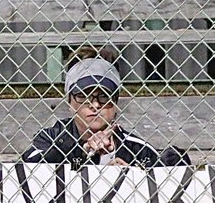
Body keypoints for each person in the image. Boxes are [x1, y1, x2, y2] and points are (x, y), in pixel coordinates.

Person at [22, 50, 190, 169]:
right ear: (70, 102)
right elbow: (26, 167)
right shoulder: (52, 138)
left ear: (115, 102)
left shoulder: (135, 148)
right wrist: (81, 151)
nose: (94, 105)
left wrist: (135, 177)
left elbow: (175, 166)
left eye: (103, 97)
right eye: (84, 96)